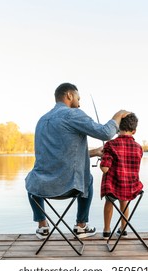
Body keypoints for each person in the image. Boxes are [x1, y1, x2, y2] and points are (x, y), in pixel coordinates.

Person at [25, 82, 130, 239]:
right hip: (69, 187)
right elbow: (105, 133)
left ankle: (42, 226)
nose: (79, 103)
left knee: (30, 179)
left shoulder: (42, 120)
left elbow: (57, 154)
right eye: (78, 98)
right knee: (87, 178)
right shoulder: (74, 114)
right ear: (69, 95)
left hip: (41, 187)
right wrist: (118, 115)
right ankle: (81, 226)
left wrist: (94, 152)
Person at [99, 113, 143, 239]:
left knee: (109, 201)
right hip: (130, 187)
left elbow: (105, 169)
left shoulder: (110, 145)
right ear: (134, 131)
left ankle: (106, 231)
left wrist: (102, 158)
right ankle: (123, 230)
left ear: (118, 128)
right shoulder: (139, 148)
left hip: (113, 186)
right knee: (124, 201)